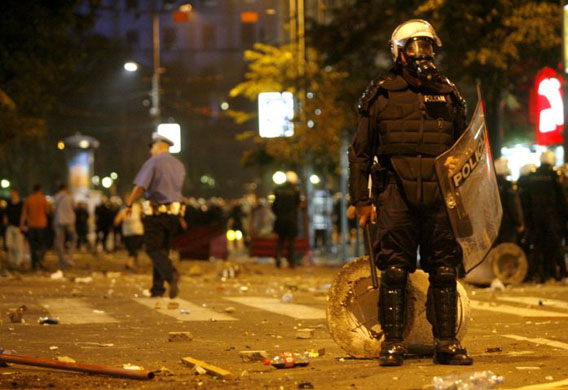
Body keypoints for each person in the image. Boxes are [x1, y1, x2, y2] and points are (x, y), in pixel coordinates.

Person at [348, 20, 472, 366]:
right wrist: (361, 199)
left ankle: (446, 342)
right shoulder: (381, 93)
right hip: (395, 194)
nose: (423, 54)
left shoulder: (448, 93)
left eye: (428, 46)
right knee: (395, 271)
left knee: (445, 270)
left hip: (439, 197)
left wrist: (466, 199)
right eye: (415, 47)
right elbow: (359, 152)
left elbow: (464, 151)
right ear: (399, 53)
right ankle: (393, 342)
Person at [125, 132, 185, 299]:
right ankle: (157, 289)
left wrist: (129, 204)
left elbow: (140, 187)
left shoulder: (154, 162)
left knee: (152, 249)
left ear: (158, 145)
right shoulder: (179, 165)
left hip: (156, 214)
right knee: (162, 251)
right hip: (173, 215)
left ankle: (171, 274)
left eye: (152, 148)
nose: (151, 151)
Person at [523, 150, 567, 283]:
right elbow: (561, 200)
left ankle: (539, 275)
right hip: (551, 217)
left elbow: (527, 200)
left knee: (538, 247)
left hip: (536, 218)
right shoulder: (554, 176)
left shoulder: (532, 176)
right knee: (555, 245)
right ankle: (562, 274)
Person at [272, 171, 301, 269]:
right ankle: (291, 261)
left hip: (280, 218)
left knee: (280, 240)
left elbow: (274, 206)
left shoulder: (278, 189)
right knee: (291, 241)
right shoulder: (295, 190)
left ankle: (278, 259)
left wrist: (279, 213)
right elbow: (298, 204)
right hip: (291, 219)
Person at [493, 158, 524, 244]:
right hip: (508, 224)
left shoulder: (490, 184)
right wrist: (519, 223)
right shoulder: (508, 185)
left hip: (493, 226)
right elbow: (514, 205)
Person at [20, 185, 49, 271]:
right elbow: (47, 211)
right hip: (42, 225)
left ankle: (34, 265)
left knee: (32, 245)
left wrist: (21, 224)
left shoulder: (29, 199)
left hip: (31, 225)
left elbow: (24, 213)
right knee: (42, 245)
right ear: (40, 190)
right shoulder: (43, 199)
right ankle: (40, 260)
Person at [114, 192, 144, 271]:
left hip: (135, 231)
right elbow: (116, 221)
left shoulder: (135, 208)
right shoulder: (125, 210)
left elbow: (116, 222)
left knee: (133, 249)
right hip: (130, 232)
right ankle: (134, 264)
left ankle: (130, 263)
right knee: (133, 249)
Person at [52, 183, 77, 269]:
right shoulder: (70, 196)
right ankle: (70, 258)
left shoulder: (56, 197)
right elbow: (75, 207)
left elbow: (52, 209)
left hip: (58, 221)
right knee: (73, 239)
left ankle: (62, 261)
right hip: (69, 222)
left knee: (59, 243)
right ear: (66, 188)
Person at [4, 188, 24, 269]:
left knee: (18, 246)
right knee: (9, 245)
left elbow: (23, 214)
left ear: (16, 193)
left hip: (18, 226)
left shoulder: (21, 203)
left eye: (12, 193)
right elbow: (6, 213)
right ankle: (11, 261)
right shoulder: (8, 203)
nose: (11, 194)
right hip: (10, 226)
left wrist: (22, 224)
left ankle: (18, 262)